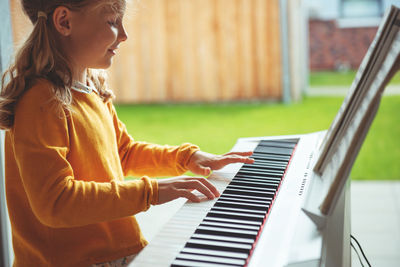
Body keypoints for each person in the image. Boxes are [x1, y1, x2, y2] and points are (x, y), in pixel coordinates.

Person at [0, 0, 254, 266]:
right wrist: (151, 192)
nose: (124, 35)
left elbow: (124, 153)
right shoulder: (41, 102)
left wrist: (187, 158)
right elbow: (56, 202)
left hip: (115, 255)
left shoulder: (91, 88)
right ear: (64, 21)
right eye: (112, 21)